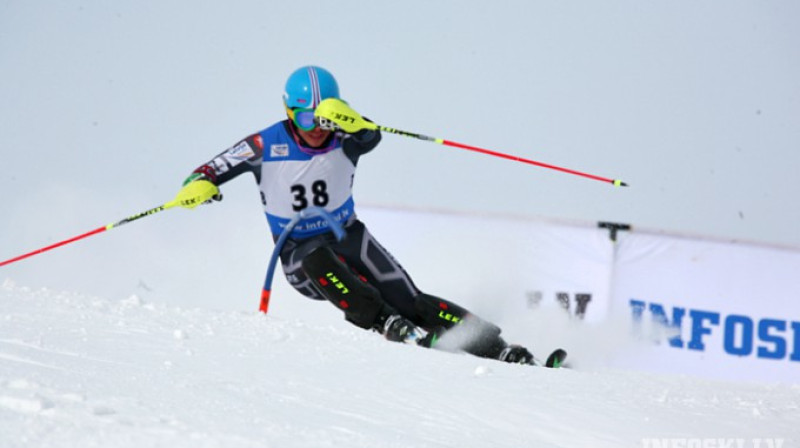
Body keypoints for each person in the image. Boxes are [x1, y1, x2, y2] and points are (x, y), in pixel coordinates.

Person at [175, 66, 535, 364]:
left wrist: (348, 120)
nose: (315, 127)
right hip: (299, 253)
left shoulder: (345, 137)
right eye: (304, 116)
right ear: (289, 112)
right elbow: (208, 169)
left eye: (320, 117)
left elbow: (371, 135)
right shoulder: (263, 145)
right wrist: (198, 185)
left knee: (412, 301)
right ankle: (386, 323)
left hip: (349, 236)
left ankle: (499, 349)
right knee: (318, 259)